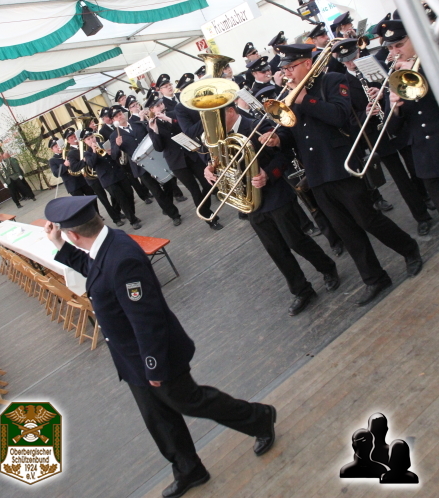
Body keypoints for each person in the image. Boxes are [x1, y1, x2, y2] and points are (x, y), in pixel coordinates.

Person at [44, 196, 277, 498]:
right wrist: (60, 245)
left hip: (153, 354)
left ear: (74, 235)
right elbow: (95, 269)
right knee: (158, 419)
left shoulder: (122, 258)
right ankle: (189, 469)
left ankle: (259, 418)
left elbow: (148, 319)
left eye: (66, 235)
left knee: (192, 401)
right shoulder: (106, 244)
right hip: (132, 357)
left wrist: (153, 365)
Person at [269, 43, 422, 307]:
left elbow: (340, 116)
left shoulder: (332, 81)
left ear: (307, 63)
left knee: (368, 219)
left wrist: (306, 99)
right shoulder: (289, 95)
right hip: (317, 174)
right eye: (285, 69)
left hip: (340, 165)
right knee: (346, 230)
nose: (287, 74)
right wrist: (277, 140)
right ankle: (374, 278)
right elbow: (292, 133)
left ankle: (409, 249)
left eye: (291, 67)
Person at [204, 103, 340, 315]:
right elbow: (213, 159)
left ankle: (327, 267)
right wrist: (209, 169)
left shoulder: (256, 126)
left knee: (296, 241)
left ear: (230, 111)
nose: (214, 124)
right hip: (251, 202)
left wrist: (268, 174)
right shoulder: (220, 138)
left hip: (276, 196)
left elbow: (284, 155)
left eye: (217, 116)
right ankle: (301, 290)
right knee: (275, 249)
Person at [332, 38, 432, 234]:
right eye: (346, 61)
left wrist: (383, 92)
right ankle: (421, 216)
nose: (351, 63)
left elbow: (399, 86)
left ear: (358, 53)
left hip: (398, 126)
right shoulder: (342, 84)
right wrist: (367, 112)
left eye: (352, 57)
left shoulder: (375, 67)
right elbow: (350, 118)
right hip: (376, 134)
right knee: (400, 178)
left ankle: (426, 196)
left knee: (415, 167)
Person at [380, 15, 439, 213]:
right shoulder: (395, 76)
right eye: (390, 48)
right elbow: (392, 129)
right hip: (426, 159)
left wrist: (419, 72)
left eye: (399, 45)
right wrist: (394, 107)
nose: (395, 52)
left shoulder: (434, 60)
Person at [146, 89, 223, 232]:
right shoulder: (151, 125)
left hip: (191, 154)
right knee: (194, 190)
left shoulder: (173, 114)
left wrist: (168, 119)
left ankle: (203, 209)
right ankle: (209, 218)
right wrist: (155, 130)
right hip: (177, 163)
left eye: (161, 104)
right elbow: (159, 148)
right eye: (157, 106)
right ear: (151, 110)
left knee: (208, 183)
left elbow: (185, 129)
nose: (161, 107)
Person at [109, 106, 182, 226]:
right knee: (156, 191)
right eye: (116, 116)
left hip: (154, 159)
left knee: (168, 183)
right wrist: (117, 145)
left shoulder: (137, 124)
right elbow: (114, 156)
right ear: (113, 120)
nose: (120, 117)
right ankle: (174, 215)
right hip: (140, 166)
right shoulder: (114, 136)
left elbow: (151, 135)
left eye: (120, 114)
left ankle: (167, 206)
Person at [81, 128, 141, 229]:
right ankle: (133, 221)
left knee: (129, 194)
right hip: (107, 179)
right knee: (121, 199)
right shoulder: (87, 153)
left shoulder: (104, 144)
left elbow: (115, 155)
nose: (91, 140)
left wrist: (113, 150)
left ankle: (132, 214)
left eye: (92, 137)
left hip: (118, 173)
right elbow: (91, 164)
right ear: (85, 142)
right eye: (88, 139)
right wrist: (94, 152)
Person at [66, 128, 125, 226]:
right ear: (68, 141)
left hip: (102, 173)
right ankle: (116, 219)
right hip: (92, 178)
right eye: (71, 138)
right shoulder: (71, 153)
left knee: (113, 194)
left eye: (74, 136)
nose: (74, 138)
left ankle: (117, 211)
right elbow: (74, 167)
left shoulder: (89, 144)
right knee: (104, 199)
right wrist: (84, 160)